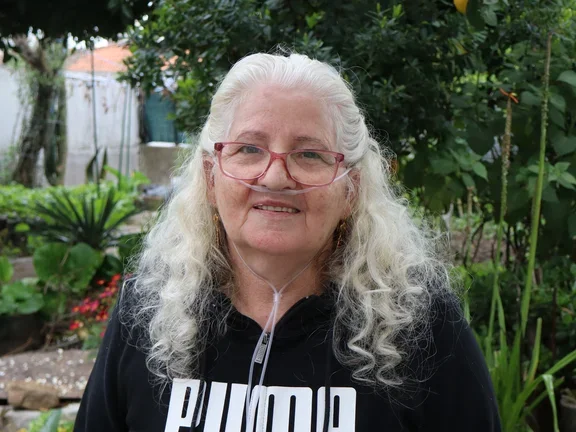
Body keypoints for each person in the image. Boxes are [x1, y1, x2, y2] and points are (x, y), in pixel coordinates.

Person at [74, 52, 501, 432]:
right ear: (210, 178)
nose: (276, 177)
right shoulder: (149, 309)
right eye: (249, 149)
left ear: (350, 190)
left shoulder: (420, 324)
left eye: (309, 154)